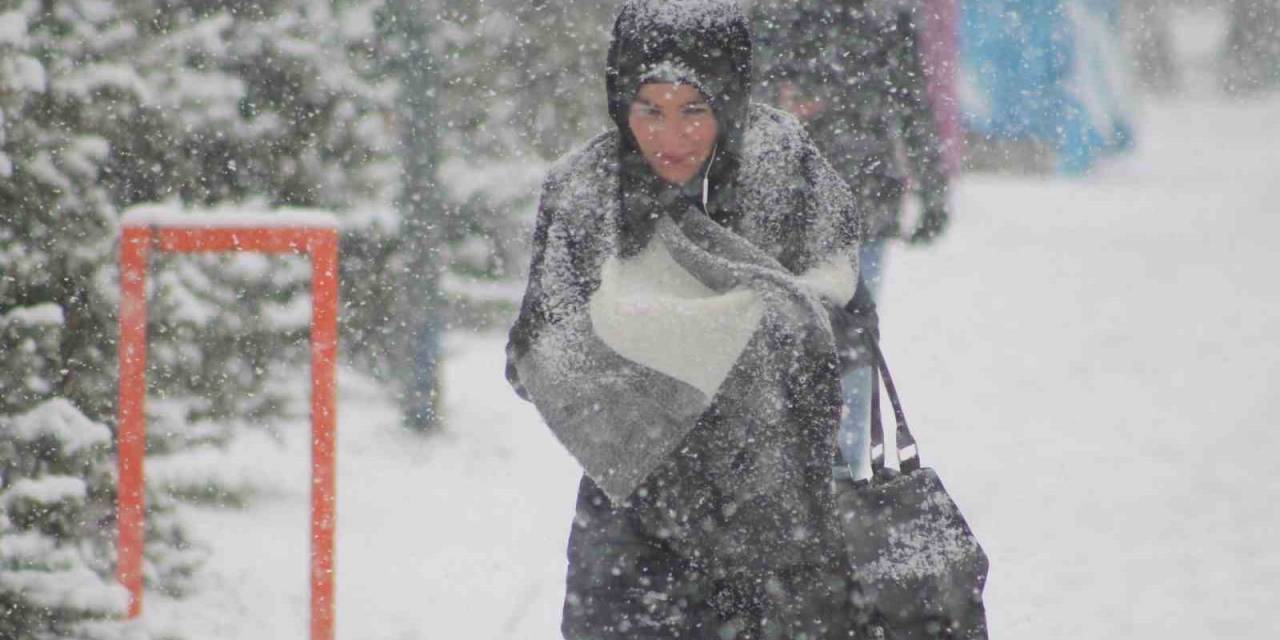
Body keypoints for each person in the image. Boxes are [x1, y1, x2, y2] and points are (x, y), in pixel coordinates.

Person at [505, 1, 870, 637]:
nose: (670, 138)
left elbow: (838, 312)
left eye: (694, 109)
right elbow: (537, 354)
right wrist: (652, 384)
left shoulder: (782, 166)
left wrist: (719, 340)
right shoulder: (586, 191)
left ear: (730, 96)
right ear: (620, 99)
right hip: (632, 525)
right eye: (649, 109)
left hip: (777, 519)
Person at [751, 0, 952, 481]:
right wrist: (930, 188)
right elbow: (910, 99)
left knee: (821, 345)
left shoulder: (784, 13)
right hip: (838, 197)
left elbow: (908, 98)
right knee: (847, 346)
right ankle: (833, 481)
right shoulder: (882, 13)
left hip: (815, 201)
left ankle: (822, 480)